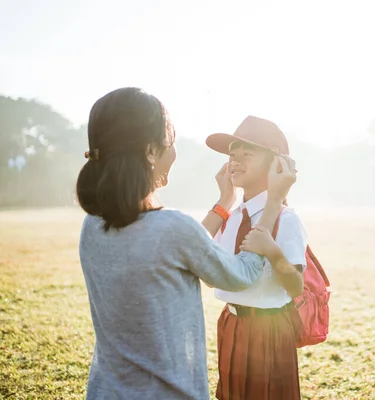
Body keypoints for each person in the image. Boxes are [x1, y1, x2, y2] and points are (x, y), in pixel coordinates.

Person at [75, 87, 297, 399]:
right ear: (151, 151)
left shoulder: (92, 226)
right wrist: (273, 202)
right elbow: (241, 273)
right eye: (172, 141)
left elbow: (181, 248)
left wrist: (223, 204)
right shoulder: (172, 229)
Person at [205, 115, 308, 400]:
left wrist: (272, 252)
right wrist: (224, 200)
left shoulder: (284, 220)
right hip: (231, 323)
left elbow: (297, 286)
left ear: (275, 164)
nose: (235, 161)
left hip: (269, 330)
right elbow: (200, 254)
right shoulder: (233, 216)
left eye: (246, 155)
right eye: (232, 155)